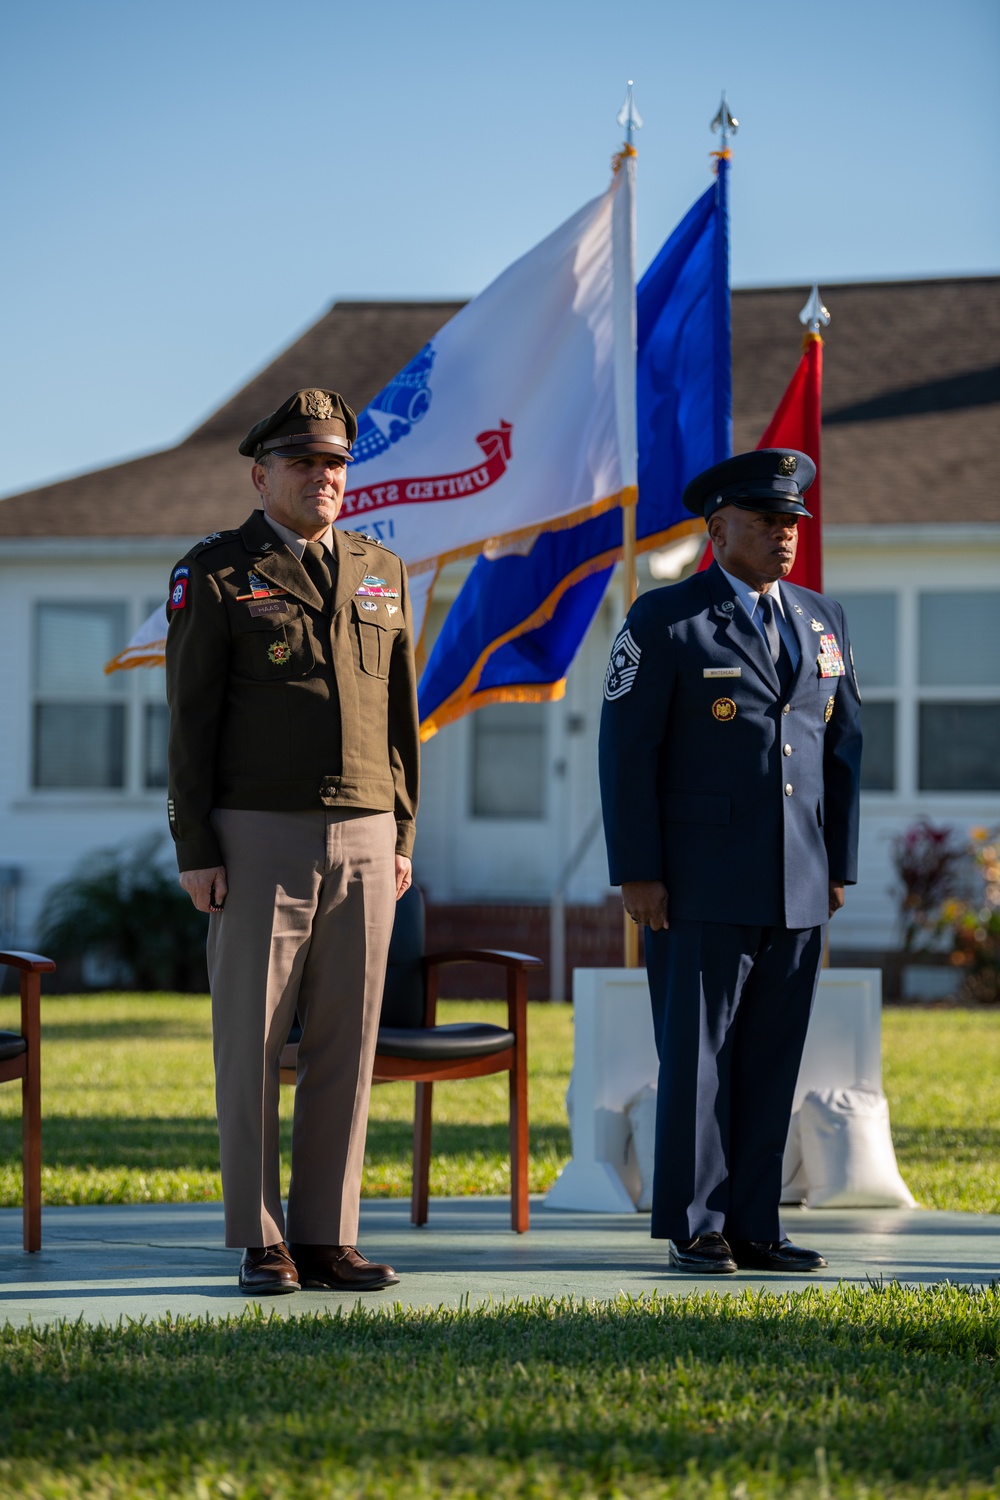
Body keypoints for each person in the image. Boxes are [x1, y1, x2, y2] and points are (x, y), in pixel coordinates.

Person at [166, 388, 420, 1294]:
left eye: (337, 462)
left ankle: (326, 1233)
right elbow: (190, 723)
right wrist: (195, 843)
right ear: (260, 473)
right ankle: (261, 1237)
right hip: (255, 837)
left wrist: (402, 831)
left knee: (346, 1044)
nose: (324, 477)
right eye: (305, 461)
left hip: (367, 832)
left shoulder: (381, 569)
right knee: (252, 1040)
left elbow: (400, 719)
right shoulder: (218, 572)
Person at [599, 449, 862, 1274]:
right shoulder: (665, 618)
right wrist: (637, 870)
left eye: (792, 523)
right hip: (696, 880)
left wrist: (840, 865)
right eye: (765, 521)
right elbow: (625, 751)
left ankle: (757, 1223)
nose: (785, 535)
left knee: (771, 1056)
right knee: (701, 1061)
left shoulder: (822, 619)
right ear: (718, 530)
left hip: (799, 877)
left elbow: (844, 745)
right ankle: (696, 1223)